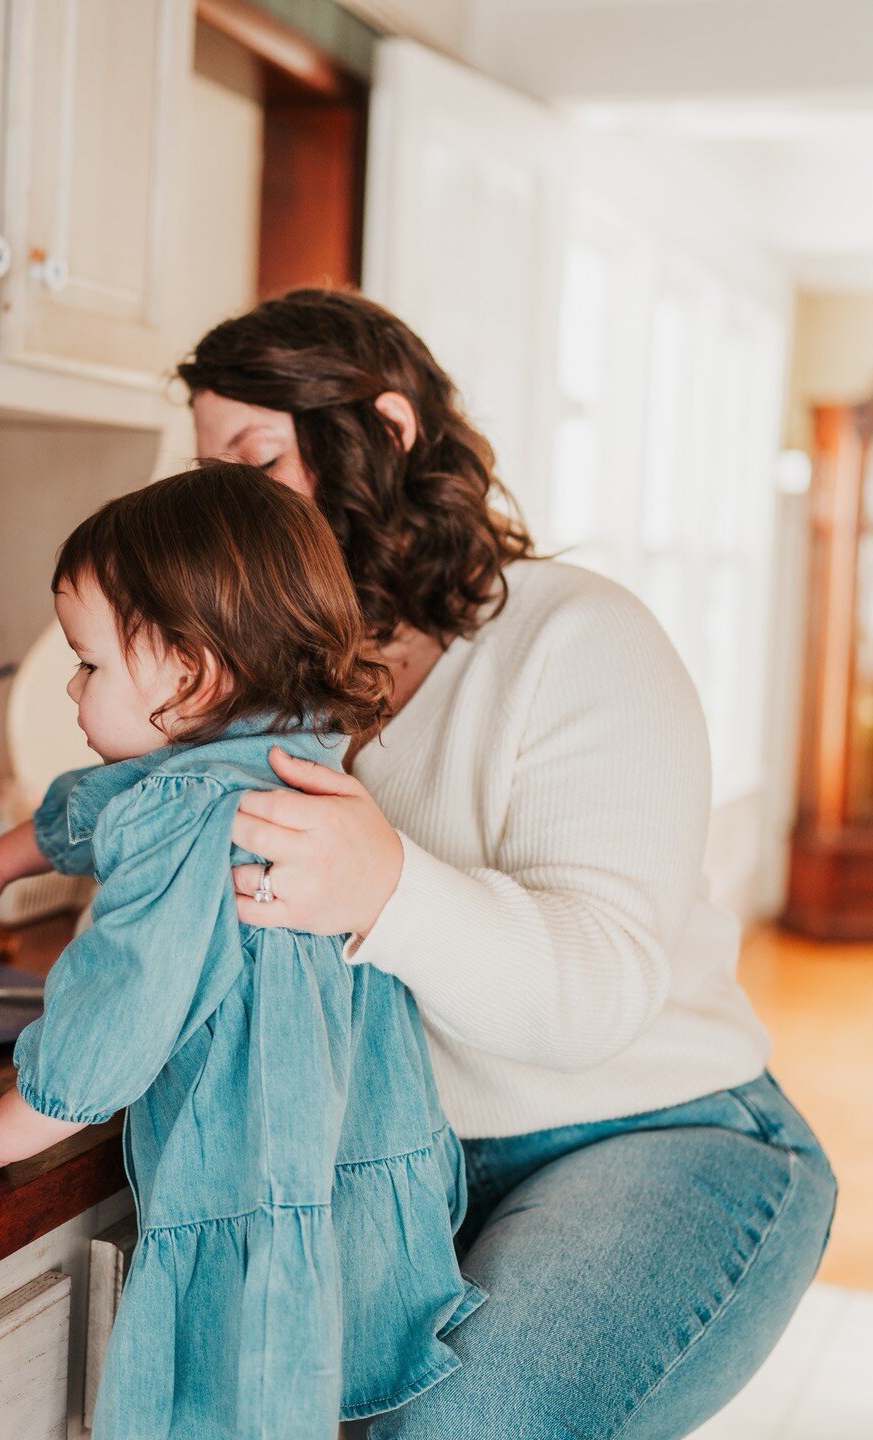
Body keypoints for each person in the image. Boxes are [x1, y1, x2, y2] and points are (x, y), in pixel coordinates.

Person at [179, 288, 838, 1440]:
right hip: (402, 1159)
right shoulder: (286, 683)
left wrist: (384, 883)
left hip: (657, 1130)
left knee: (459, 1424)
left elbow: (597, 991)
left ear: (384, 433)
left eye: (258, 458)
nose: (229, 504)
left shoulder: (581, 640)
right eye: (211, 468)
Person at [0, 462, 485, 1439]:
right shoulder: (292, 754)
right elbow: (91, 807)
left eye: (89, 662)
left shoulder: (188, 815)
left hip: (244, 1187)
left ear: (190, 673)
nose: (73, 688)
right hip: (342, 1176)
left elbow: (116, 1017)